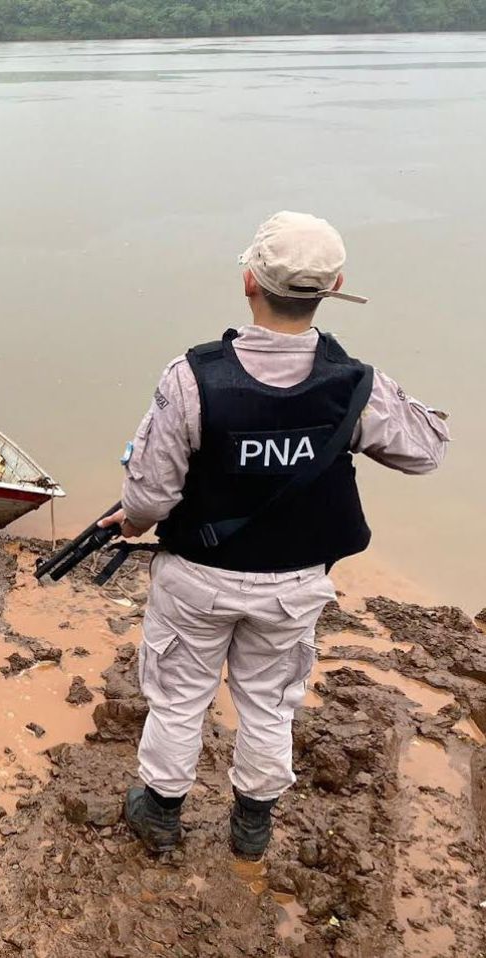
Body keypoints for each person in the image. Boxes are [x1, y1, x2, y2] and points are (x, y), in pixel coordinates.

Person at [104, 211, 450, 860]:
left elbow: (150, 495)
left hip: (198, 580)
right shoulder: (353, 385)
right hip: (293, 587)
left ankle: (160, 814)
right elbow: (426, 450)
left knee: (179, 698)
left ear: (248, 282)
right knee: (270, 703)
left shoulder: (192, 377)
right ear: (335, 285)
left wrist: (129, 524)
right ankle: (252, 825)